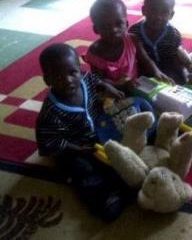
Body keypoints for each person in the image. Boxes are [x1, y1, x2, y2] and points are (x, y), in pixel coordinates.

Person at [36, 43, 134, 222]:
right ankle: (104, 200)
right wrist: (78, 149)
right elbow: (50, 142)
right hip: (74, 148)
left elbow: (97, 81)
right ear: (47, 80)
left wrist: (108, 87)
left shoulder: (86, 80)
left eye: (72, 72)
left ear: (79, 70)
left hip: (99, 132)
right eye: (58, 76)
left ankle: (124, 185)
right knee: (83, 169)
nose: (68, 80)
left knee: (118, 153)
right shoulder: (50, 113)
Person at [84, 0, 173, 90]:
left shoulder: (133, 40)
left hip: (136, 85)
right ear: (96, 29)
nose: (114, 30)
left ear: (126, 24)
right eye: (106, 26)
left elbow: (146, 60)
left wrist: (156, 72)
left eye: (119, 24)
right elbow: (100, 80)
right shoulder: (95, 53)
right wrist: (122, 86)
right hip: (112, 91)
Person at [129, 0, 191, 85]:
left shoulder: (173, 34)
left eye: (164, 12)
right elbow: (132, 57)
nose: (158, 16)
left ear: (171, 15)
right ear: (144, 10)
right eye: (153, 10)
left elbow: (176, 60)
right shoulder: (134, 31)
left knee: (178, 81)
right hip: (144, 68)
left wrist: (186, 73)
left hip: (168, 69)